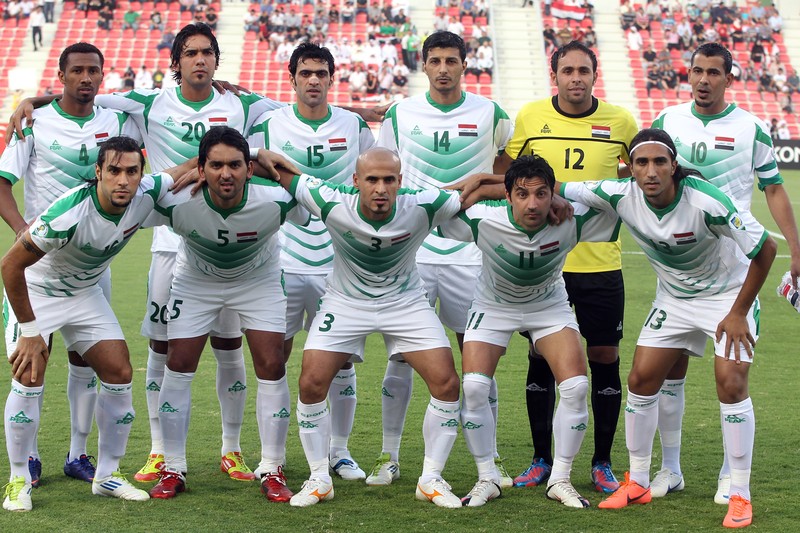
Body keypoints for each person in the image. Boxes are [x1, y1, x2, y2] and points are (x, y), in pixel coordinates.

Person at [565, 129, 777, 529]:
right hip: (674, 301)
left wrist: (737, 312)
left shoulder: (705, 200)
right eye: (641, 162)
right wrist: (485, 182)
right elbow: (553, 184)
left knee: (731, 384)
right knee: (642, 379)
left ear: (673, 166)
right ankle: (639, 481)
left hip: (727, 297)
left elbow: (764, 248)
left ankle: (739, 494)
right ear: (630, 168)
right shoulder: (619, 193)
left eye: (659, 162)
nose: (650, 171)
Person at [0, 136, 193, 511]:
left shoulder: (145, 194)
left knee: (120, 373)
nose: (123, 180)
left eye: (132, 171)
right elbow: (10, 265)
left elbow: (184, 170)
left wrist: (252, 154)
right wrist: (29, 330)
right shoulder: (68, 213)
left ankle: (106, 476)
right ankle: (18, 479)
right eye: (115, 171)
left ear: (142, 173)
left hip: (85, 294)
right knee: (29, 376)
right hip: (38, 291)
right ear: (98, 173)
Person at [267, 148, 465, 508]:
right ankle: (319, 478)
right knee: (311, 382)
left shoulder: (424, 204)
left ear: (400, 182)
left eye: (389, 179)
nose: (380, 188)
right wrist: (262, 153)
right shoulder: (329, 201)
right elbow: (273, 167)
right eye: (371, 179)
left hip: (405, 303)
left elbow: (481, 190)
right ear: (356, 181)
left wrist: (496, 182)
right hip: (345, 302)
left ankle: (431, 478)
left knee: (447, 383)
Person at [650, 42, 800, 505]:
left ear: (728, 79)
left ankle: (728, 474)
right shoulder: (666, 122)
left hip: (735, 272)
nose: (703, 80)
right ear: (688, 74)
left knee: (731, 379)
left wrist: (796, 248)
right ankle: (669, 469)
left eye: (713, 72)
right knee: (670, 371)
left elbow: (773, 189)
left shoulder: (751, 127)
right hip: (679, 269)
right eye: (696, 71)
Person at [494, 40, 638, 493]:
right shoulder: (531, 117)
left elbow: (633, 179)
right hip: (544, 266)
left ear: (595, 75)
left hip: (600, 264)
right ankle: (540, 459)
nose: (576, 78)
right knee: (540, 357)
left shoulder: (621, 122)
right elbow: (508, 171)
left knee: (604, 358)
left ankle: (601, 461)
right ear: (554, 75)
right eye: (567, 70)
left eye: (584, 70)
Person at [375, 30, 514, 488]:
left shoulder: (491, 113)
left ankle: (489, 461)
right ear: (424, 65)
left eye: (451, 60)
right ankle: (389, 457)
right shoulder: (399, 114)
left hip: (470, 255)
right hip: (411, 253)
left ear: (464, 64)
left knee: (477, 359)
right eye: (434, 60)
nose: (443, 68)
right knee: (400, 358)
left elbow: (504, 170)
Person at [0, 43, 141, 492]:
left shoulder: (118, 121)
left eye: (93, 71)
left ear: (103, 75)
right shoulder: (35, 122)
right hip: (41, 261)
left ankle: (80, 455)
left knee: (89, 361)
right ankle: (29, 462)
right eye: (76, 71)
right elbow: (3, 183)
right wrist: (25, 230)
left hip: (92, 268)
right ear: (59, 76)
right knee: (33, 361)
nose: (86, 78)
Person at [441, 155, 619, 508]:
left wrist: (567, 197)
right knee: (474, 387)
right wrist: (474, 187)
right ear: (507, 197)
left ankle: (561, 479)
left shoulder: (573, 219)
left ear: (552, 194)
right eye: (522, 194)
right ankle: (486, 478)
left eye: (541, 194)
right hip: (492, 307)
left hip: (548, 308)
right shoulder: (482, 219)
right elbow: (433, 206)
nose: (532, 203)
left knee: (575, 386)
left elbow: (617, 203)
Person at [145, 127, 306, 501]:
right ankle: (172, 467)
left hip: (258, 280)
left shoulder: (276, 197)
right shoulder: (176, 200)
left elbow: (325, 197)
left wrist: (275, 166)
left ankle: (272, 466)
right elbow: (130, 194)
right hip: (196, 281)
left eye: (235, 164)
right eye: (215, 165)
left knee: (271, 363)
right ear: (201, 169)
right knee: (179, 361)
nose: (226, 173)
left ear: (249, 168)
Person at [246, 43, 375, 487]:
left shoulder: (354, 125)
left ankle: (339, 452)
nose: (314, 80)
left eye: (322, 72)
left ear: (332, 78)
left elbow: (370, 179)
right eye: (306, 73)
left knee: (341, 362)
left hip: (338, 263)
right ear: (292, 77)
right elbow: (244, 168)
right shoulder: (269, 123)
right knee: (273, 359)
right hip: (279, 259)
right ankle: (272, 457)